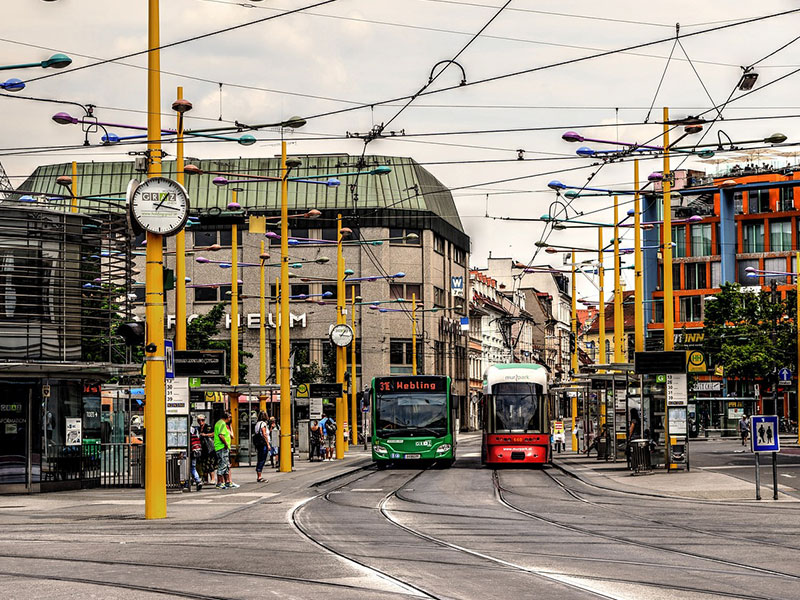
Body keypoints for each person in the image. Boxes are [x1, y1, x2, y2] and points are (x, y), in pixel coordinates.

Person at [214, 412, 239, 489]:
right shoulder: (222, 424)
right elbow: (221, 435)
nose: (230, 419)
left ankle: (227, 482)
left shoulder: (219, 423)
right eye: (230, 417)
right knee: (223, 464)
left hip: (222, 447)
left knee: (226, 464)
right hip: (222, 447)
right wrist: (226, 444)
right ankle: (219, 482)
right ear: (227, 418)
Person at [197, 415, 217, 484]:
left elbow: (214, 434)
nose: (200, 422)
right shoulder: (198, 428)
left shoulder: (208, 427)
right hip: (202, 449)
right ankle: (206, 479)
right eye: (199, 420)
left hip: (209, 449)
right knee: (204, 465)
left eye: (202, 420)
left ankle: (213, 479)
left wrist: (205, 435)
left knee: (210, 464)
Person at [254, 411, 270, 482]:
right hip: (263, 443)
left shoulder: (257, 424)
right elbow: (264, 434)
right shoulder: (263, 424)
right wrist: (268, 444)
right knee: (262, 459)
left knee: (260, 458)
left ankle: (259, 474)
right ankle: (259, 476)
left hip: (258, 443)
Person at [187, 420, 203, 491]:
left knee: (186, 467)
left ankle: (187, 482)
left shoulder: (185, 429)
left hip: (188, 451)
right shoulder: (194, 430)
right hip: (195, 451)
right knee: (193, 467)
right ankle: (198, 480)